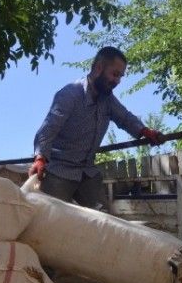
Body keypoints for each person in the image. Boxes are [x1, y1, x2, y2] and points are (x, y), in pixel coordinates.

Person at [28, 46, 163, 209]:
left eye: (120, 76)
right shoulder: (70, 94)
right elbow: (48, 129)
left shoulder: (108, 100)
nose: (117, 81)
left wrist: (145, 131)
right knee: (51, 217)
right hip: (59, 171)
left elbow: (125, 118)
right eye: (114, 74)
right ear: (99, 68)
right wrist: (40, 158)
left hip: (87, 173)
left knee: (105, 220)